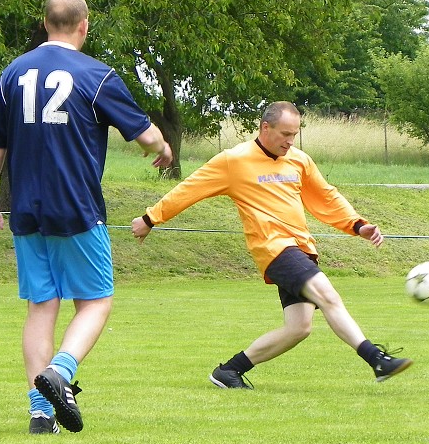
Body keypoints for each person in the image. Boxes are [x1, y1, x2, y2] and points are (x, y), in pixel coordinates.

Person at [0, 0, 173, 434]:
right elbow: (143, 136)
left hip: (26, 210)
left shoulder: (12, 73)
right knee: (97, 302)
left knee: (41, 308)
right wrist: (162, 147)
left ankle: (40, 414)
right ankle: (60, 372)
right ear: (83, 26)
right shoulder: (97, 75)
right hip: (78, 209)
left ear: (46, 23)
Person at [131, 101, 411, 389]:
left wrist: (357, 225)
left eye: (295, 135)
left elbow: (326, 197)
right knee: (328, 294)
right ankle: (376, 359)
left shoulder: (299, 160)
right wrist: (151, 218)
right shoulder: (234, 160)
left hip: (301, 247)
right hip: (273, 248)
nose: (290, 141)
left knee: (299, 328)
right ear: (266, 127)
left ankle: (229, 371)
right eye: (285, 134)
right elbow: (189, 189)